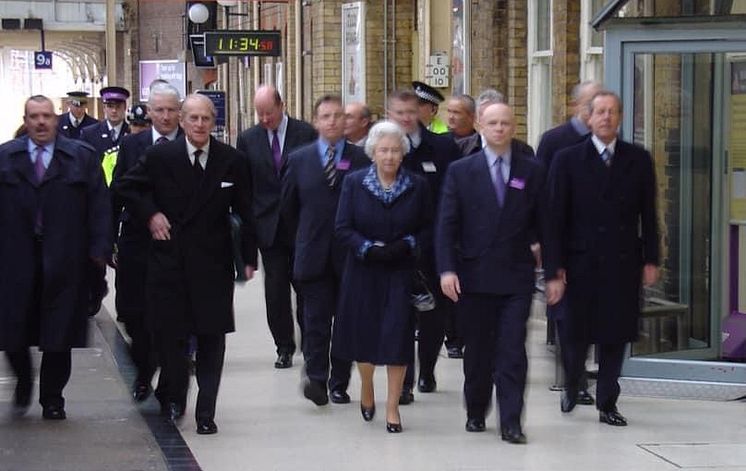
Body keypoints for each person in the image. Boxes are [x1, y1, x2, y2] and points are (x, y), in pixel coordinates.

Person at [114, 94, 257, 435]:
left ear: (214, 121)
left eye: (205, 118)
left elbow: (246, 211)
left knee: (211, 339)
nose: (199, 124)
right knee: (171, 338)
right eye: (192, 118)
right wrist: (151, 214)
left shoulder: (231, 160)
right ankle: (175, 397)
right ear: (182, 120)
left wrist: (248, 258)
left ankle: (206, 410)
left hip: (212, 263)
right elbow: (125, 188)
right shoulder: (160, 156)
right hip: (169, 262)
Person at [436, 102, 560, 444]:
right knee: (478, 351)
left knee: (511, 351)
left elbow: (547, 226)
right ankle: (476, 410)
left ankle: (511, 421)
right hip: (473, 277)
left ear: (514, 127)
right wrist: (447, 269)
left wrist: (553, 273)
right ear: (480, 126)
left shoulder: (531, 171)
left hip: (515, 276)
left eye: (506, 122)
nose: (500, 129)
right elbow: (446, 226)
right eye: (492, 123)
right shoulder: (462, 171)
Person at [547, 90, 659, 427]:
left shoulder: (637, 159)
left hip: (622, 261)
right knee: (574, 332)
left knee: (615, 333)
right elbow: (554, 219)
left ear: (620, 118)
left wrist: (651, 258)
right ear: (589, 118)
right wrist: (554, 268)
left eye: (612, 112)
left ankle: (607, 402)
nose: (606, 118)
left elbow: (649, 214)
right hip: (580, 261)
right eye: (600, 112)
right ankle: (573, 381)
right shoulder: (567, 160)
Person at [0, 95, 112, 420]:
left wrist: (99, 249)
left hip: (65, 257)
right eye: (34, 116)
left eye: (47, 116)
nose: (40, 122)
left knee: (59, 331)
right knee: (13, 328)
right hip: (16, 258)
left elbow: (99, 206)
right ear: (26, 118)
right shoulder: (6, 159)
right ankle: (23, 379)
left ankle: (53, 397)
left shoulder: (80, 157)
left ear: (56, 118)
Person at [333, 120, 432, 433]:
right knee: (364, 337)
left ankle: (391, 406)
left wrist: (407, 245)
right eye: (383, 150)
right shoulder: (354, 182)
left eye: (395, 150)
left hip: (399, 271)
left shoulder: (418, 185)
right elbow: (342, 227)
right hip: (363, 271)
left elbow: (428, 227)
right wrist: (366, 248)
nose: (389, 156)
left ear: (403, 153)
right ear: (372, 153)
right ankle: (366, 386)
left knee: (398, 337)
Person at [281, 95, 370, 407]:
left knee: (345, 322)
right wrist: (300, 242)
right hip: (312, 254)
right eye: (326, 116)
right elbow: (288, 210)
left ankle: (339, 382)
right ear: (316, 122)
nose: (332, 121)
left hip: (350, 256)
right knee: (315, 320)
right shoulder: (299, 159)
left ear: (346, 121)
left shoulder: (361, 160)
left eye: (338, 116)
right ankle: (316, 378)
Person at [386, 89, 462, 403]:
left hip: (432, 246)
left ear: (420, 112)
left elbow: (453, 196)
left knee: (433, 316)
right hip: (394, 247)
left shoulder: (443, 148)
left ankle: (427, 368)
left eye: (410, 111)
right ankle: (402, 382)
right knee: (399, 316)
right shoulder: (381, 147)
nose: (405, 118)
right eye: (399, 112)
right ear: (389, 114)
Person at [111, 83, 183, 403]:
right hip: (138, 242)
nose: (166, 117)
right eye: (160, 110)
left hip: (178, 246)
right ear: (149, 112)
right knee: (134, 315)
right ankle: (144, 369)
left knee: (172, 319)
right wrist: (107, 239)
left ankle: (169, 384)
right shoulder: (132, 145)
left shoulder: (192, 143)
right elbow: (120, 190)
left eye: (171, 110)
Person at [236, 85, 317, 369]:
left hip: (301, 225)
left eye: (269, 112)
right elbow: (245, 188)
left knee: (306, 287)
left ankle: (311, 344)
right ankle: (283, 346)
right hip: (267, 228)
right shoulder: (248, 139)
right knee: (276, 291)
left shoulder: (305, 133)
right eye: (260, 113)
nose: (265, 119)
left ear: (281, 106)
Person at [536, 80, 602, 408]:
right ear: (577, 106)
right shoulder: (554, 141)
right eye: (592, 103)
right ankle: (572, 381)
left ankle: (580, 376)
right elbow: (541, 192)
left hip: (598, 246)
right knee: (566, 315)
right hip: (563, 242)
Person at [80, 86, 132, 316]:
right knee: (100, 247)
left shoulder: (133, 133)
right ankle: (96, 288)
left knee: (125, 255)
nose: (114, 111)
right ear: (104, 108)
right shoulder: (90, 134)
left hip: (125, 199)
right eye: (109, 106)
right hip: (100, 200)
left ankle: (124, 303)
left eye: (118, 106)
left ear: (125, 107)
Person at [456, 89, 535, 158]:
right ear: (477, 119)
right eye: (489, 119)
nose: (498, 127)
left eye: (500, 118)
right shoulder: (461, 148)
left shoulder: (524, 151)